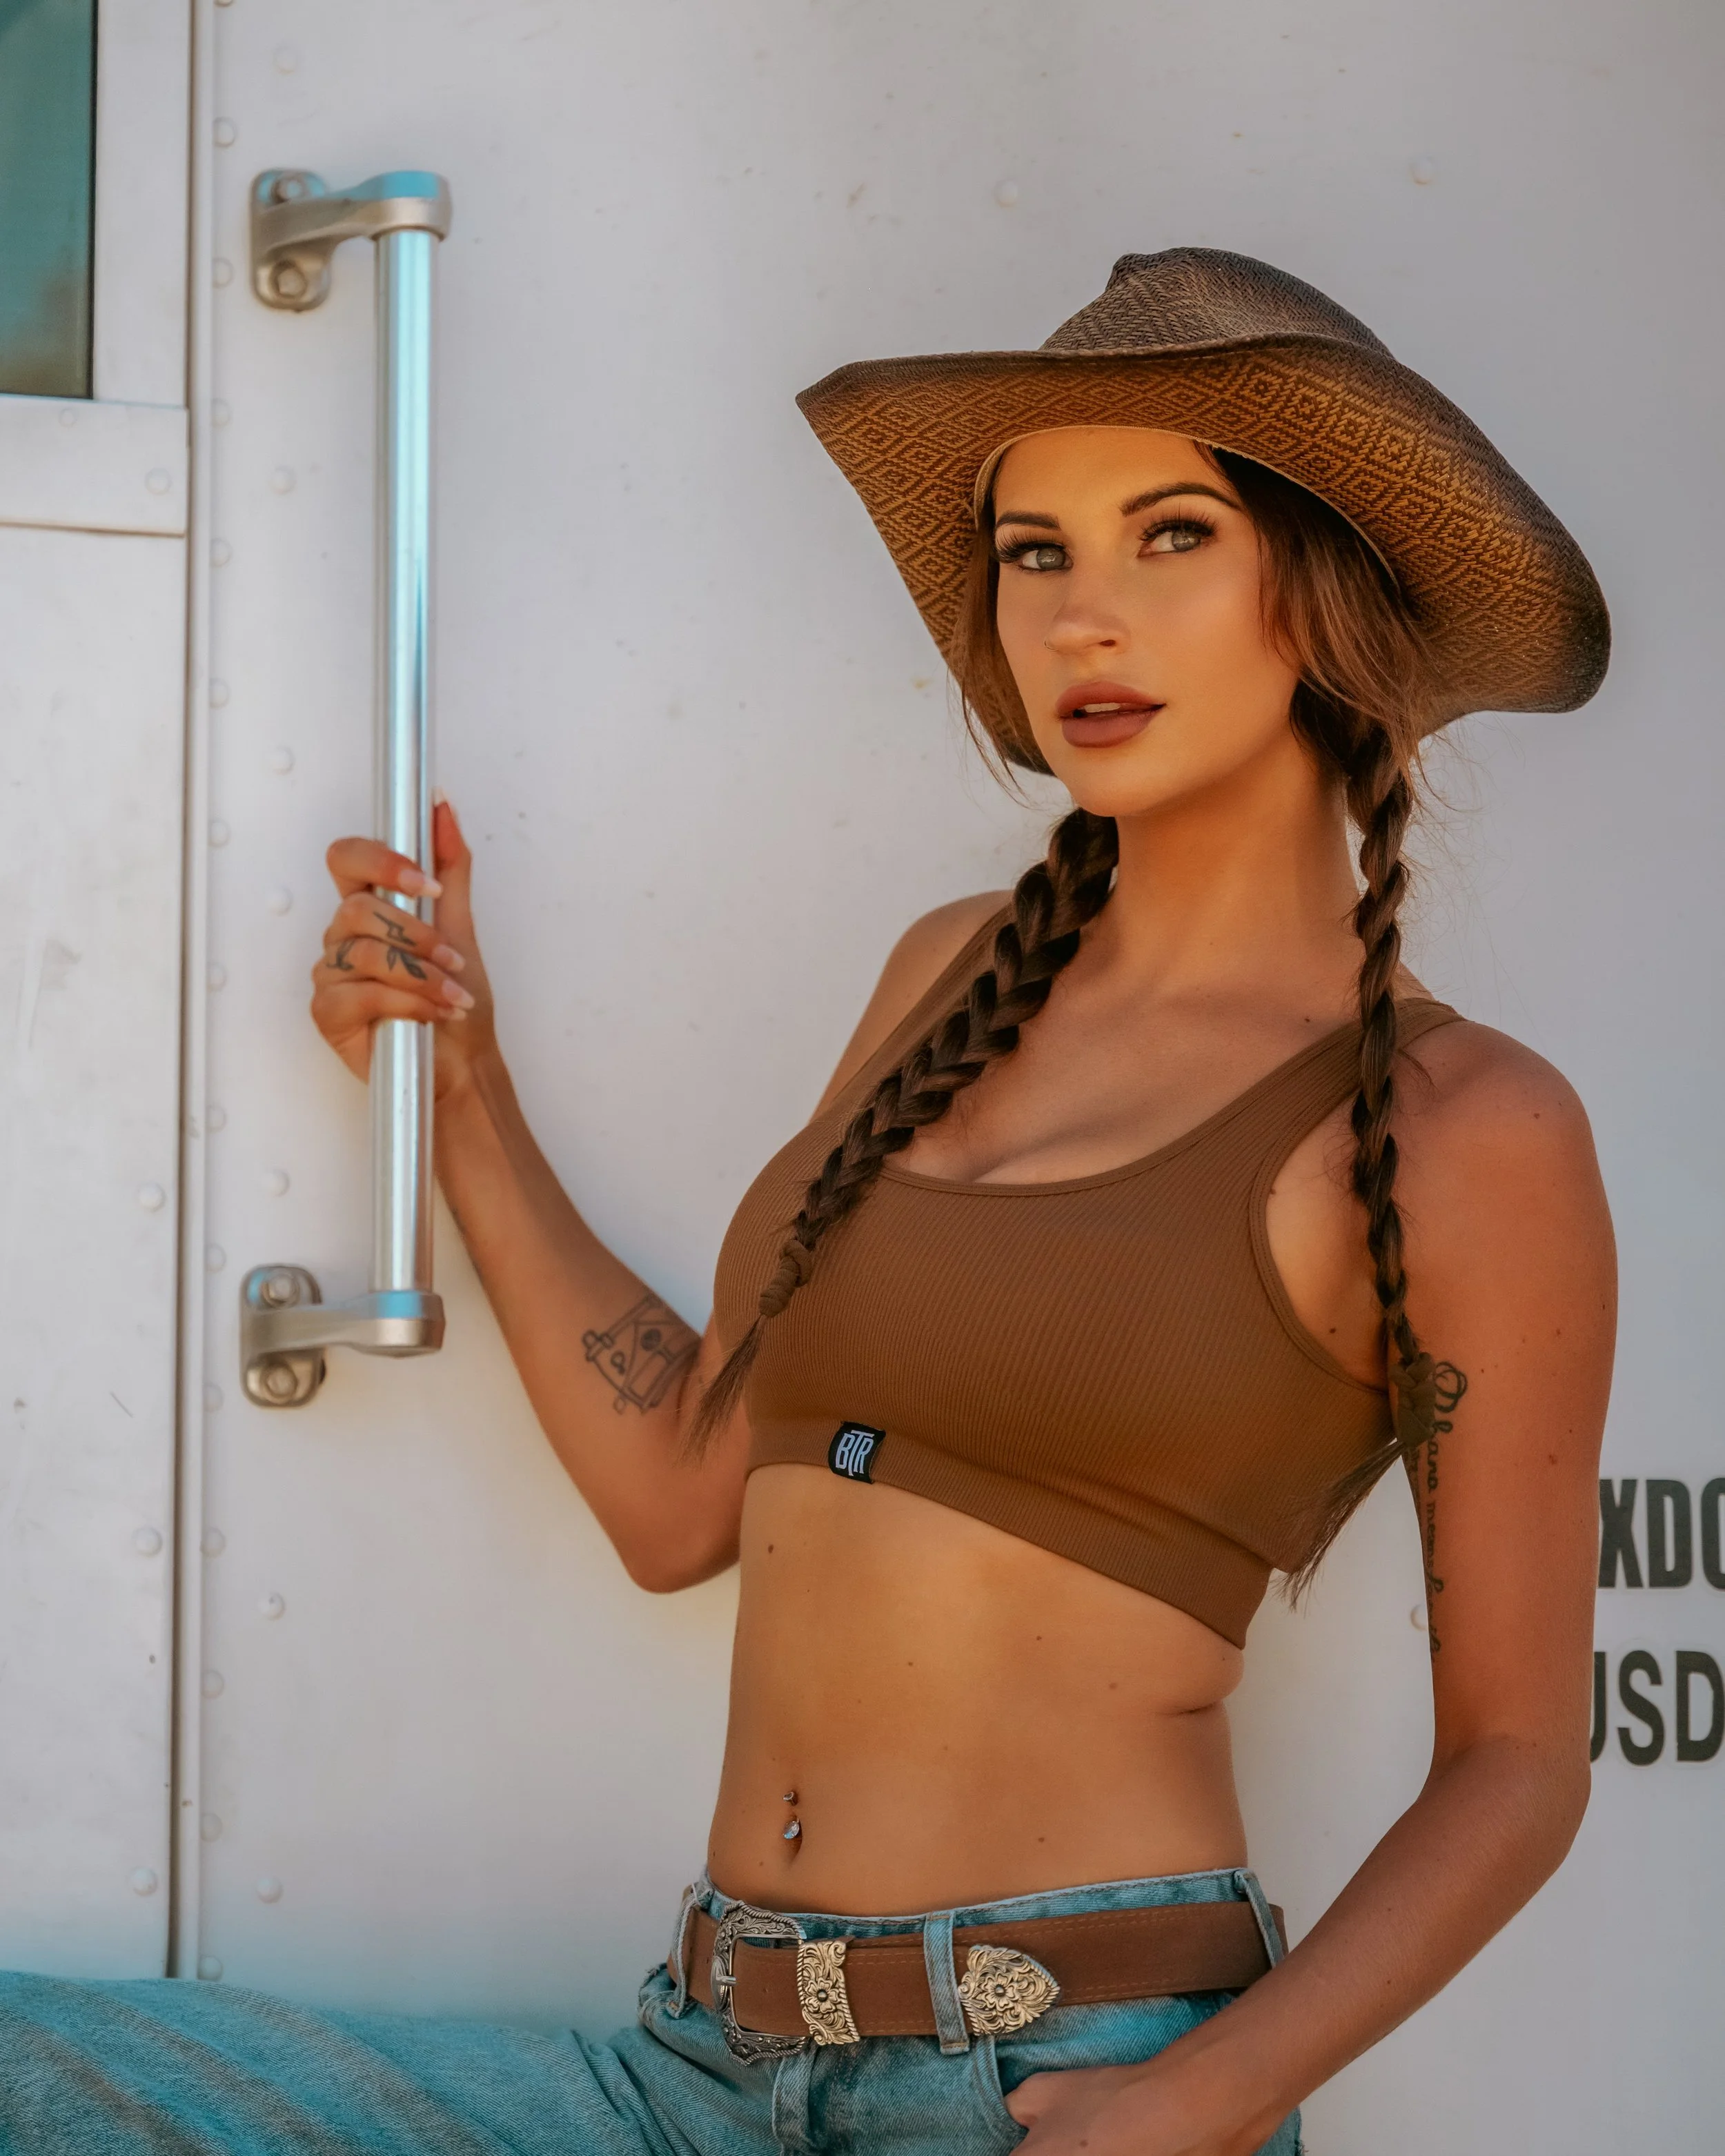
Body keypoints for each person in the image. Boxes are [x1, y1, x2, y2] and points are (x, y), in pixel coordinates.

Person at [0, 248, 1615, 2156]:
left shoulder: (1459, 1123)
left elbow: (1516, 1760)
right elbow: (681, 1501)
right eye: (1032, 554)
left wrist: (1209, 2093)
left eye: (1166, 535)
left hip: (1050, 2075)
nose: (1083, 614)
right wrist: (464, 1103)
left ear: (1324, 593)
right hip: (695, 2061)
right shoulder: (951, 973)